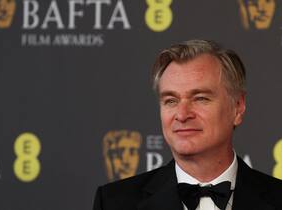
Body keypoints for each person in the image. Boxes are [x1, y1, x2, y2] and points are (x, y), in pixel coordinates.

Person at [93, 40, 282, 210]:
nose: (182, 115)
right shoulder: (114, 202)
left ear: (238, 107)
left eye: (200, 98)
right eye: (171, 101)